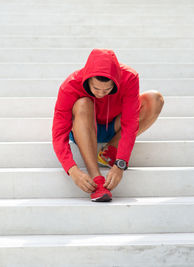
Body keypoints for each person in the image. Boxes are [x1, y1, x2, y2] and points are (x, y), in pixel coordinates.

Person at [52, 48, 164, 202]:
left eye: (107, 89)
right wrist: (72, 169)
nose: (100, 93)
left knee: (154, 99)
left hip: (113, 126)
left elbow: (131, 122)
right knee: (83, 103)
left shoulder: (129, 77)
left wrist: (120, 163)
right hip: (83, 127)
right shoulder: (70, 85)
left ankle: (109, 152)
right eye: (96, 88)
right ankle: (96, 177)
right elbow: (59, 134)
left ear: (115, 81)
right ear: (88, 80)